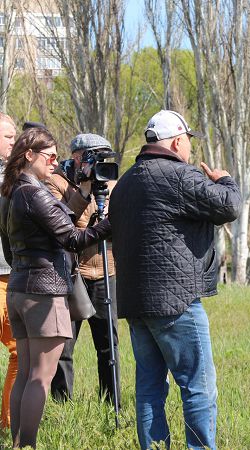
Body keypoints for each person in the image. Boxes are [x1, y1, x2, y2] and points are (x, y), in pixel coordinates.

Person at [109, 110, 241, 450]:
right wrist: (225, 180)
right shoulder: (179, 175)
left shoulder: (125, 182)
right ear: (179, 141)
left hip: (135, 303)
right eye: (189, 142)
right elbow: (229, 206)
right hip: (177, 301)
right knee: (198, 385)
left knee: (150, 387)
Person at [0, 127, 111, 449]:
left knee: (25, 373)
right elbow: (73, 238)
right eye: (48, 155)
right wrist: (114, 221)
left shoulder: (10, 191)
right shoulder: (33, 193)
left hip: (20, 287)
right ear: (29, 155)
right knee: (40, 376)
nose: (54, 161)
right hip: (43, 293)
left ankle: (20, 443)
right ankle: (27, 445)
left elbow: (11, 247)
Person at [44, 133, 120, 405]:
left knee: (108, 345)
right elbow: (63, 223)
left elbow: (116, 224)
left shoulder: (111, 181)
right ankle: (62, 405)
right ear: (76, 157)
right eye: (93, 157)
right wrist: (84, 192)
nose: (99, 164)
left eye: (104, 158)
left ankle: (112, 404)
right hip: (71, 274)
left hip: (105, 271)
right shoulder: (55, 180)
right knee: (63, 346)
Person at [0, 113, 16, 431]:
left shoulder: (16, 177)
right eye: (9, 138)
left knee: (21, 353)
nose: (14, 143)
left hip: (14, 277)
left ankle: (9, 424)